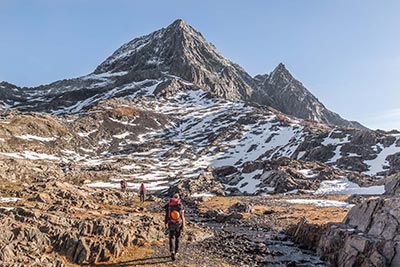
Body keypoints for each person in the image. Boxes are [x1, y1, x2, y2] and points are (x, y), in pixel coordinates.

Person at [164, 193, 185, 261]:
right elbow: (182, 216)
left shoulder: (169, 205)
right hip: (178, 223)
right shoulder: (180, 205)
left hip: (171, 223)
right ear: (178, 198)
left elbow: (167, 215)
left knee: (171, 237)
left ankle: (172, 251)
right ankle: (176, 251)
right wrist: (183, 225)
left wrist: (166, 223)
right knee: (177, 237)